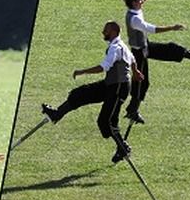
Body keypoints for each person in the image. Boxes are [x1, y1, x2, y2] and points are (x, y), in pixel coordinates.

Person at [42, 21, 143, 163]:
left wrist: (83, 71)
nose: (103, 32)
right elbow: (132, 59)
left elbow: (104, 67)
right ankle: (57, 114)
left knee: (106, 120)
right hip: (110, 85)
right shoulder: (121, 46)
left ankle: (123, 147)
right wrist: (136, 71)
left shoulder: (115, 47)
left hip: (119, 88)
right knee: (80, 93)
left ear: (113, 32)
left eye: (105, 30)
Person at [121, 0, 190, 124]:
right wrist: (172, 27)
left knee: (171, 48)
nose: (142, 1)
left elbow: (142, 1)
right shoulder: (135, 20)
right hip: (140, 53)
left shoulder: (134, 9)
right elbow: (152, 29)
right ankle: (132, 110)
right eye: (140, 0)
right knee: (142, 82)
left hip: (145, 46)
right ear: (134, 3)